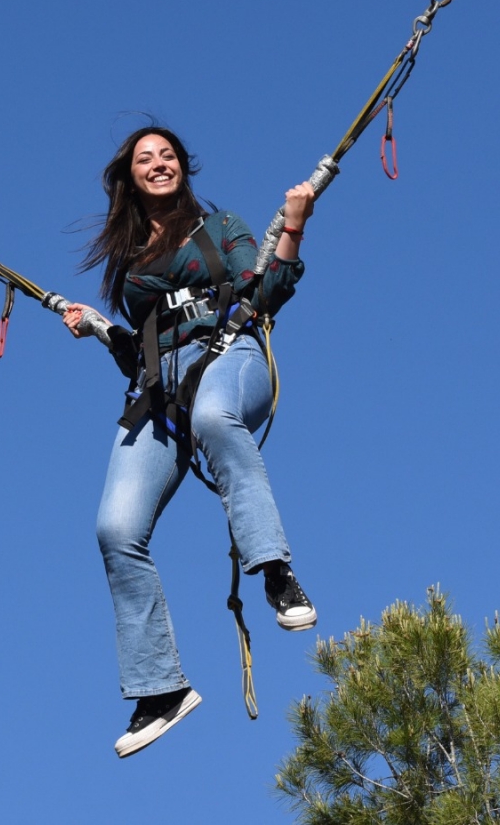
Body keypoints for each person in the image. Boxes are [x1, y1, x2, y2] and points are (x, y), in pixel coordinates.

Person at [62, 126, 316, 758]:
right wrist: (97, 328)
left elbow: (268, 292)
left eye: (168, 156)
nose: (159, 164)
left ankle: (275, 571)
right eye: (146, 159)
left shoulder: (218, 226)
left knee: (212, 419)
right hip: (159, 387)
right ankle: (160, 689)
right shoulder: (128, 263)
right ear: (129, 178)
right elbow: (140, 348)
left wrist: (293, 224)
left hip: (230, 355)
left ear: (182, 168)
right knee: (115, 530)